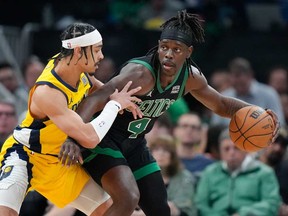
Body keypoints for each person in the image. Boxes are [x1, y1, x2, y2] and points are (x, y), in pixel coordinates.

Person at [60, 10, 280, 216]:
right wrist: (73, 137)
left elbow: (222, 104)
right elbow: (95, 98)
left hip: (135, 144)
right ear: (158, 46)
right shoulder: (140, 74)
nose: (168, 54)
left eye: (176, 49)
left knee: (160, 210)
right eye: (164, 47)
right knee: (128, 198)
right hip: (104, 140)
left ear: (188, 52)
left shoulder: (191, 77)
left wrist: (260, 115)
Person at [0, 22, 142, 216]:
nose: (101, 56)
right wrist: (115, 104)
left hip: (60, 162)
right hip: (26, 156)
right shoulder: (48, 92)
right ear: (77, 51)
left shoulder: (79, 70)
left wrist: (126, 101)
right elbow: (90, 137)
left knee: (110, 211)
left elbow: (105, 93)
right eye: (97, 50)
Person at [196, 128, 281, 216]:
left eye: (236, 148)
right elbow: (201, 205)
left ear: (246, 149)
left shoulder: (264, 172)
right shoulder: (210, 173)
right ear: (220, 151)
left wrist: (244, 214)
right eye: (226, 149)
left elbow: (272, 204)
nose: (231, 153)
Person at [210, 57, 285, 127]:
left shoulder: (269, 93)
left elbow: (279, 123)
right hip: (229, 139)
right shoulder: (225, 96)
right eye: (233, 77)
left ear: (250, 75)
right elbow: (215, 126)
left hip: (264, 138)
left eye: (238, 76)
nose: (236, 81)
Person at [174, 112, 214, 183]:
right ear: (175, 130)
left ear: (200, 133)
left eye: (194, 127)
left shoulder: (208, 165)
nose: (189, 130)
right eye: (184, 126)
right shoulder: (166, 161)